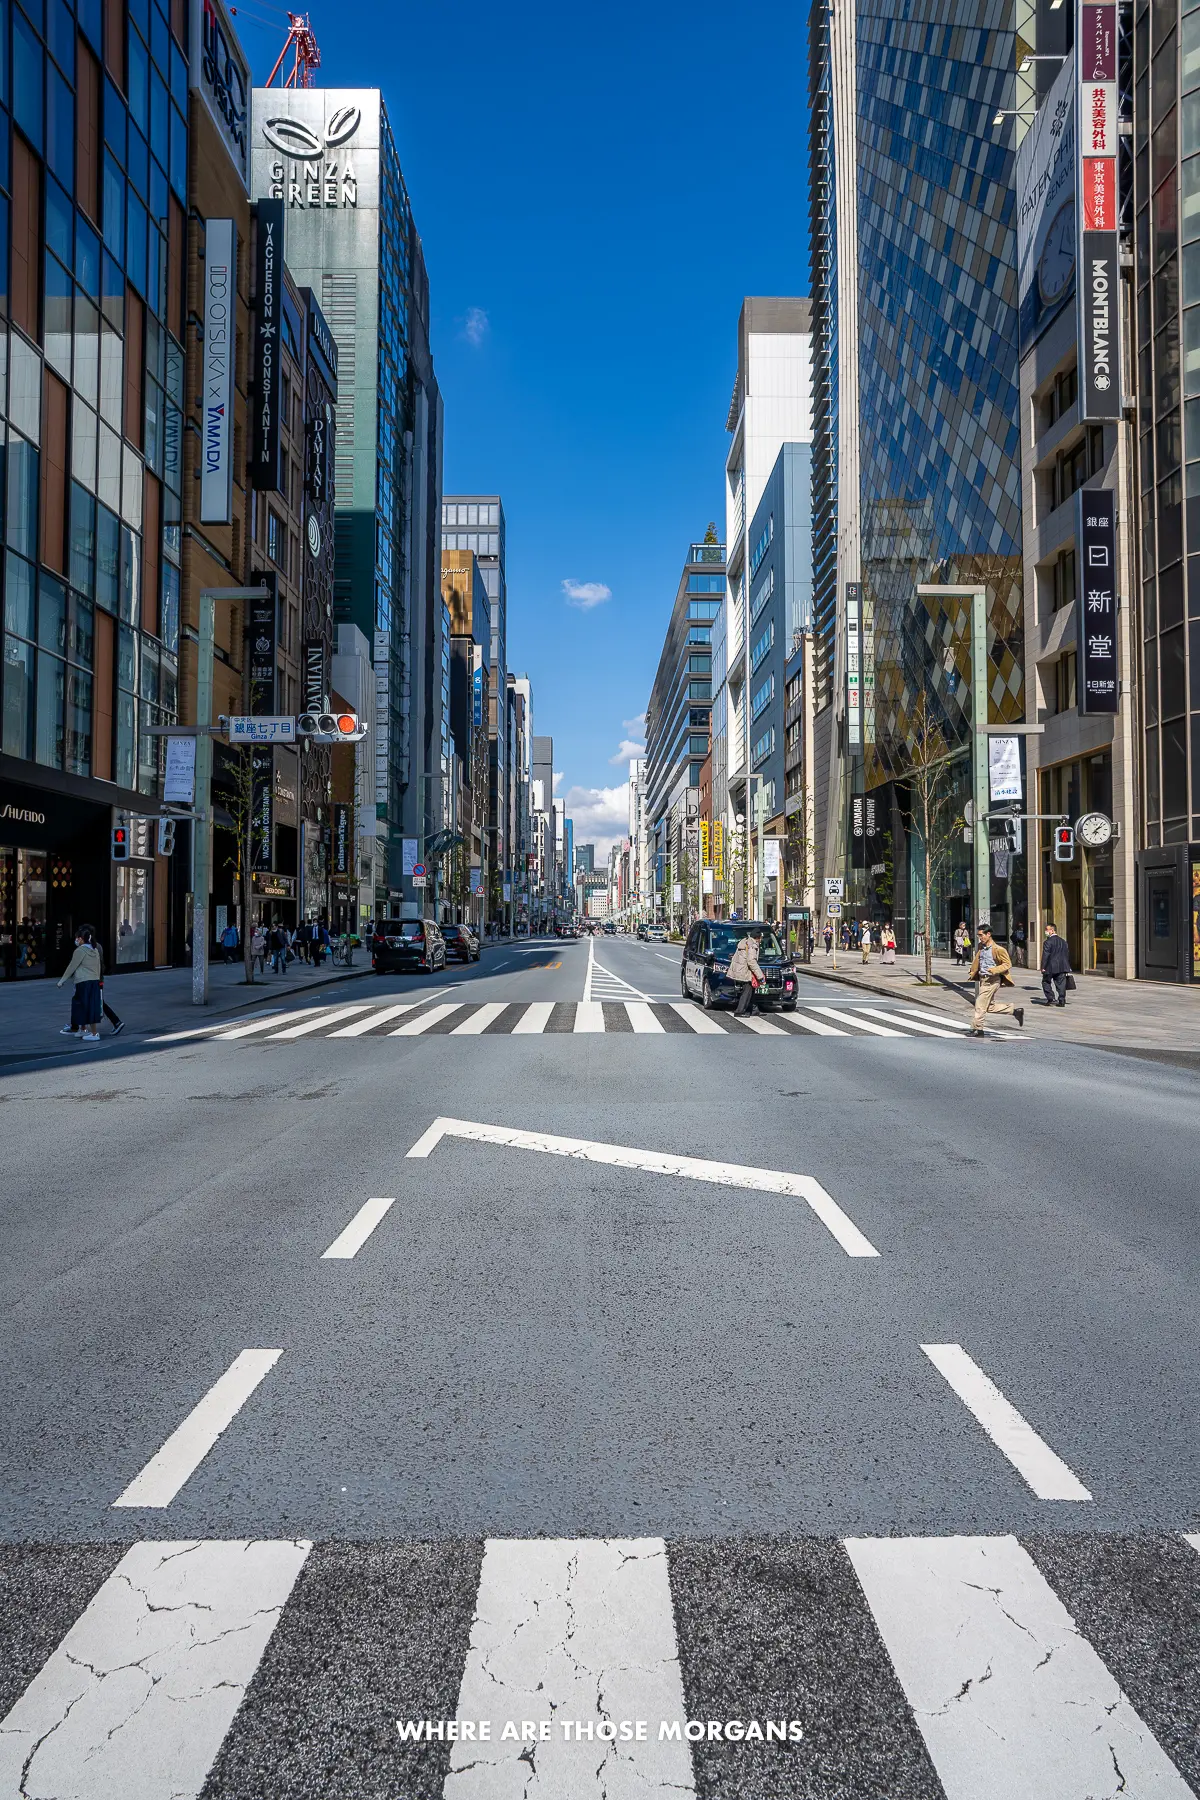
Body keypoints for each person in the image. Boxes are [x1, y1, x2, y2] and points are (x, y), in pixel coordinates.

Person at [967, 923, 1024, 1037]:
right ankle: (1015, 1011)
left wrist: (995, 970)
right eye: (978, 935)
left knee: (979, 1004)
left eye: (981, 935)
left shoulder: (999, 949)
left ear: (988, 934)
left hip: (993, 980)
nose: (980, 937)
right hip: (983, 980)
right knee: (989, 1007)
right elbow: (978, 960)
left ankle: (978, 1029)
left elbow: (1007, 964)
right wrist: (973, 971)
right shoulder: (980, 947)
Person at [57, 926, 104, 1044]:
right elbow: (98, 967)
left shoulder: (80, 951)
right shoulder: (95, 950)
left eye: (77, 938)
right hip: (94, 982)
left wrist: (62, 980)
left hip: (83, 982)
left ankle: (93, 1033)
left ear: (81, 939)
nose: (76, 940)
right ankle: (84, 1029)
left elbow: (72, 966)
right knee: (90, 1006)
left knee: (81, 1006)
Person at [728, 930, 765, 1019]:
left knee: (751, 990)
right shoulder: (752, 945)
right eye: (761, 938)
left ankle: (754, 1010)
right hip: (745, 971)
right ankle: (739, 1011)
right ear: (758, 938)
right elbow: (751, 961)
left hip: (740, 970)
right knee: (747, 991)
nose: (761, 940)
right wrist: (760, 975)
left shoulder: (745, 942)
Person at [1040, 921, 1072, 1007]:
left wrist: (1043, 967)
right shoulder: (1063, 941)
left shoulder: (1048, 942)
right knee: (1061, 984)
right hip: (1062, 966)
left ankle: (1050, 998)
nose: (1046, 931)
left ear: (1053, 931)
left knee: (1046, 982)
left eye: (1047, 930)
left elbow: (1045, 955)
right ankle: (1062, 1000)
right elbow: (1066, 954)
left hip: (1050, 966)